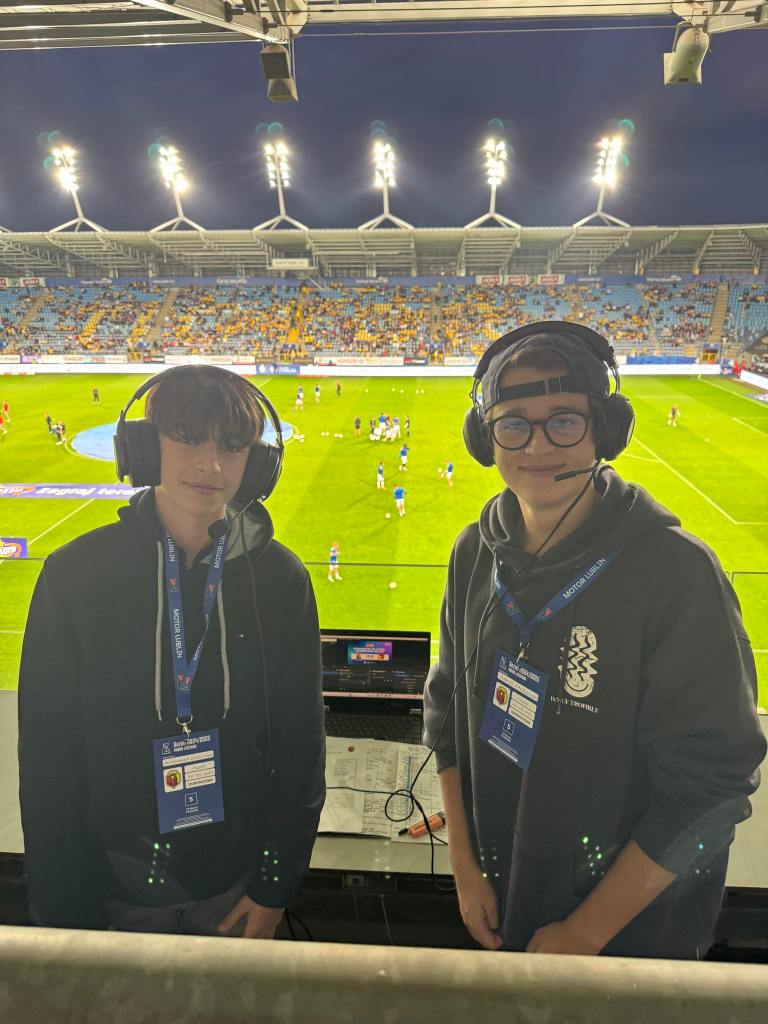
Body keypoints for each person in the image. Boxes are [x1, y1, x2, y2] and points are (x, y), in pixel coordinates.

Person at [423, 321, 765, 960]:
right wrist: (465, 867)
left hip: (630, 941)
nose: (537, 446)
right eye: (513, 424)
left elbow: (711, 789)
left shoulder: (678, 573)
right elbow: (445, 711)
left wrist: (587, 931)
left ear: (604, 429)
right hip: (500, 903)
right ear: (484, 437)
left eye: (564, 421)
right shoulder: (473, 553)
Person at [18, 365, 326, 938]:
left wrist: (272, 888)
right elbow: (47, 758)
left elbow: (301, 748)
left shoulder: (282, 581)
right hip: (104, 896)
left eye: (231, 446)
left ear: (257, 464)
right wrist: (66, 915)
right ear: (143, 447)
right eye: (186, 438)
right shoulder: (74, 575)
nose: (210, 464)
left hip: (236, 894)